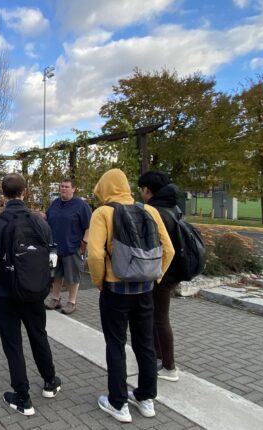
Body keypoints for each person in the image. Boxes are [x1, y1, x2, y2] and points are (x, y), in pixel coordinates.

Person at [87, 168, 174, 423]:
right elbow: (168, 249)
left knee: (115, 345)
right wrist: (156, 277)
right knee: (145, 344)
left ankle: (118, 403)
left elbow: (94, 255)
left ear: (105, 187)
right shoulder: (149, 210)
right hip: (145, 291)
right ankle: (146, 399)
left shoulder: (103, 213)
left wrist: (98, 281)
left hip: (115, 291)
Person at [0, 173, 62, 416]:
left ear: (3, 194)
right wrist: (43, 285)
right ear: (24, 192)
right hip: (34, 291)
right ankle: (50, 381)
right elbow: (51, 257)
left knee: (13, 343)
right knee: (39, 335)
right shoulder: (40, 223)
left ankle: (22, 396)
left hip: (5, 294)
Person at [138, 171, 183, 382]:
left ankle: (169, 366)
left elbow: (161, 247)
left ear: (148, 190)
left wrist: (156, 274)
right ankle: (157, 356)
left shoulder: (155, 212)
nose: (140, 194)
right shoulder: (173, 207)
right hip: (170, 272)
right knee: (156, 316)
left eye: (141, 189)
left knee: (160, 318)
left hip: (161, 273)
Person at [44, 179, 91, 315]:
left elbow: (88, 227)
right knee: (55, 275)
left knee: (73, 276)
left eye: (66, 187)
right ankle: (55, 299)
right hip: (54, 248)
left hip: (72, 247)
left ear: (73, 189)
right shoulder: (55, 203)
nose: (63, 189)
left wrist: (84, 242)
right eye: (62, 186)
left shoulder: (81, 206)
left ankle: (71, 302)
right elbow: (47, 218)